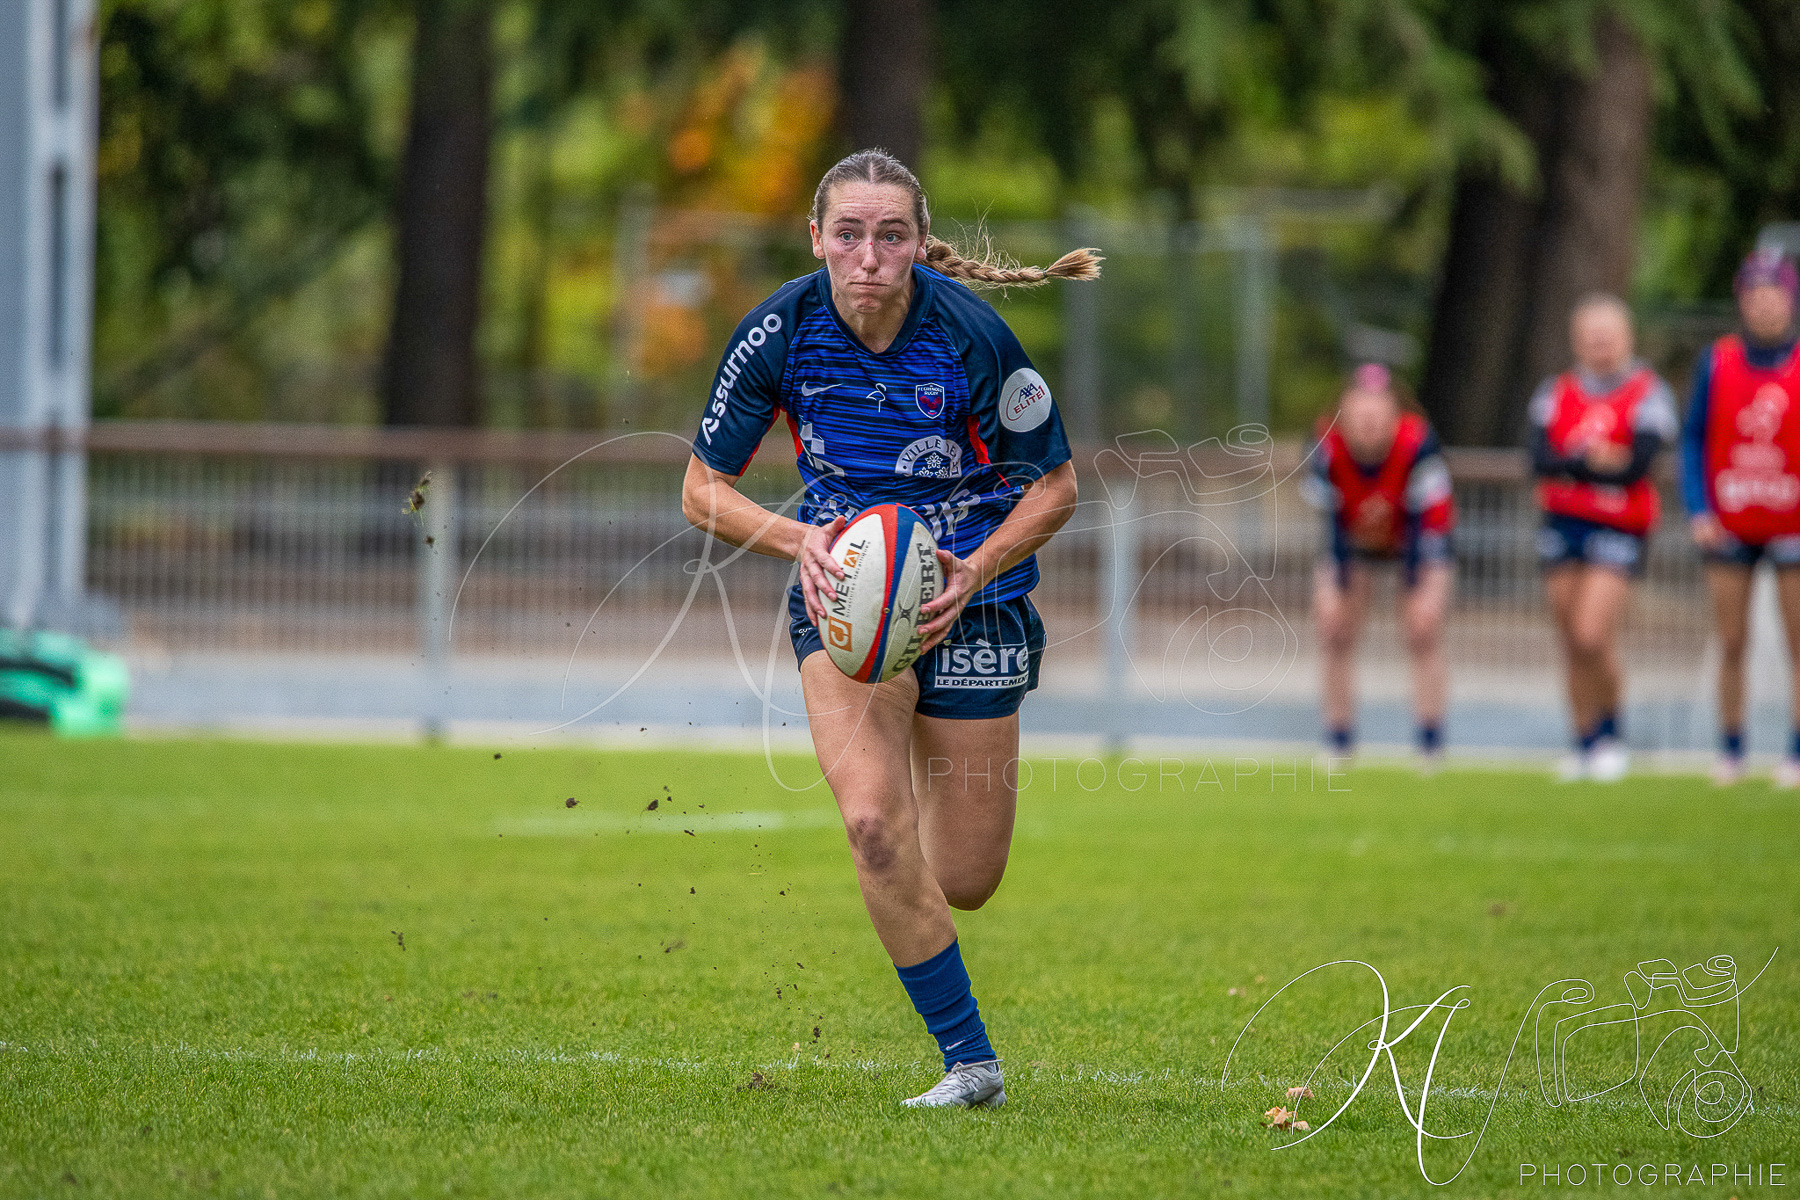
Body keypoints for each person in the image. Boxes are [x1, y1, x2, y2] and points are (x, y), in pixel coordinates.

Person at [680, 149, 1096, 1108]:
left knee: (967, 875)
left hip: (974, 600)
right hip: (842, 599)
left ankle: (919, 749)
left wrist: (976, 567)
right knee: (873, 826)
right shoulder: (778, 331)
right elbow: (701, 490)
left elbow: (1058, 487)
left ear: (918, 243)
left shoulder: (973, 336)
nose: (869, 255)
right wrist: (801, 542)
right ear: (817, 238)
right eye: (850, 233)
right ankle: (971, 1065)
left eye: (891, 234)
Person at [1529, 294, 1677, 783]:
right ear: (1576, 341)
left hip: (1620, 526)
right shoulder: (1555, 392)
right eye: (1591, 338)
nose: (1601, 346)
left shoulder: (1648, 392)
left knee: (1593, 634)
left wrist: (1578, 465)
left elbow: (1636, 466)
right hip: (1562, 523)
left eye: (1609, 337)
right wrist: (1595, 462)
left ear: (1627, 338)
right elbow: (1541, 461)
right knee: (1571, 638)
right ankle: (1583, 740)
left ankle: (1611, 734)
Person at [1679, 247, 1800, 786]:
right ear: (1742, 301)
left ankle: (1795, 753)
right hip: (1729, 521)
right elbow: (1692, 439)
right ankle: (1732, 748)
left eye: (1775, 294)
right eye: (1755, 295)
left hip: (1792, 523)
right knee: (1732, 641)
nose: (1766, 305)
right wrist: (1698, 508)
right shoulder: (1718, 361)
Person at [1304, 363, 1455, 765]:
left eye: (1377, 414)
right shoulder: (1326, 446)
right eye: (1359, 414)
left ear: (1394, 416)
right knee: (1333, 629)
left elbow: (1429, 525)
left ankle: (1430, 742)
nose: (1368, 423)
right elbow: (1331, 525)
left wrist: (1420, 589)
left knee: (1423, 629)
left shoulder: (1418, 445)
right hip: (1352, 542)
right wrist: (1335, 589)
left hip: (1415, 540)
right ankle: (1338, 740)